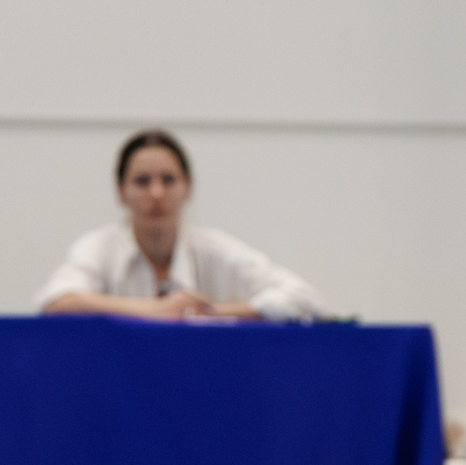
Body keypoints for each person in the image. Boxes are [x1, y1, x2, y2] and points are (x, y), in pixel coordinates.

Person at [34, 129, 324, 321]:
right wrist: (156, 311)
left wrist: (211, 313)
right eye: (142, 181)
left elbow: (305, 298)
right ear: (121, 192)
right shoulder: (99, 246)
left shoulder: (212, 247)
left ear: (188, 188)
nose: (156, 193)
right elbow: (57, 303)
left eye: (168, 180)